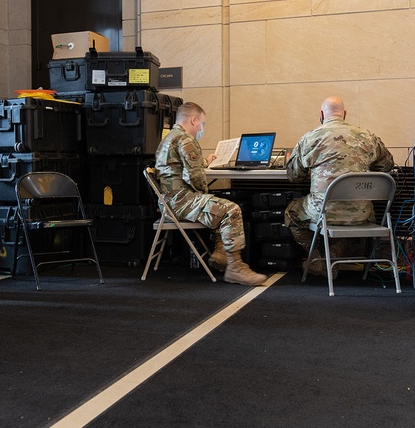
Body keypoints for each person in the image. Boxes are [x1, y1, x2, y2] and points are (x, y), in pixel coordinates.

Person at [155, 102, 266, 286]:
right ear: (194, 120)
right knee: (231, 209)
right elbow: (196, 179)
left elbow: (179, 170)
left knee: (216, 204)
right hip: (181, 203)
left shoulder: (169, 138)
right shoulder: (186, 140)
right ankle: (235, 268)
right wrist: (205, 194)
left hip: (168, 203)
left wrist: (204, 162)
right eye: (202, 124)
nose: (202, 128)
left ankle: (222, 254)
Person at [285, 96, 395, 273]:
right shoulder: (368, 136)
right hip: (360, 213)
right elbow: (387, 165)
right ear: (344, 114)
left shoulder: (310, 138)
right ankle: (334, 254)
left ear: (321, 115)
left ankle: (317, 259)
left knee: (291, 213)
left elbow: (294, 176)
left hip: (322, 212)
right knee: (367, 218)